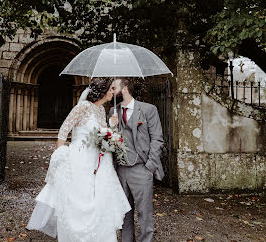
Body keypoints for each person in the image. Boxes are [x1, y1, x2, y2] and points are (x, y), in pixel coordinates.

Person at [26, 77, 131, 242]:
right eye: (111, 88)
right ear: (102, 91)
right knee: (77, 202)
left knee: (99, 201)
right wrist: (61, 155)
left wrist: (111, 127)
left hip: (99, 162)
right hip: (79, 161)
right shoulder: (82, 107)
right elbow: (63, 130)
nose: (113, 91)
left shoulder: (101, 110)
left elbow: (99, 135)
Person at [109, 78, 164, 242]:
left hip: (141, 168)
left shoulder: (148, 109)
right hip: (120, 170)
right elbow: (111, 141)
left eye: (115, 87)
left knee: (144, 213)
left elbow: (157, 139)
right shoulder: (113, 111)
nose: (112, 91)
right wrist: (112, 127)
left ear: (125, 89)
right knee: (124, 213)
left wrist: (150, 166)